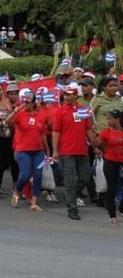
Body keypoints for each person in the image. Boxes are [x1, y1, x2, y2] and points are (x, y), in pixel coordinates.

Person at [52, 83, 94, 220]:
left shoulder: (84, 110)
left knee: (86, 176)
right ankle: (72, 209)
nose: (66, 96)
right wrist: (55, 150)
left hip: (82, 150)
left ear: (76, 95)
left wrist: (96, 146)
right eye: (65, 93)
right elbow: (55, 132)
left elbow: (88, 130)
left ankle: (70, 195)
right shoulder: (60, 111)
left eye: (69, 93)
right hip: (67, 151)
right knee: (69, 181)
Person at [6, 89, 48, 212]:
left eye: (29, 102)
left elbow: (43, 133)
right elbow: (7, 122)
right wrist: (15, 111)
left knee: (38, 176)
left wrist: (48, 150)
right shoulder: (19, 114)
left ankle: (34, 202)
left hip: (38, 150)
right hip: (22, 150)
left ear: (34, 103)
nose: (26, 104)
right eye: (25, 102)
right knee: (25, 175)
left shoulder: (41, 115)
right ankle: (17, 193)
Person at [89, 109, 123, 225]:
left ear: (116, 119)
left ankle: (121, 208)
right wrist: (93, 133)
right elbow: (95, 144)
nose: (107, 120)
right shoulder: (106, 131)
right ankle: (112, 214)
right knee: (112, 188)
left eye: (109, 118)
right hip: (110, 161)